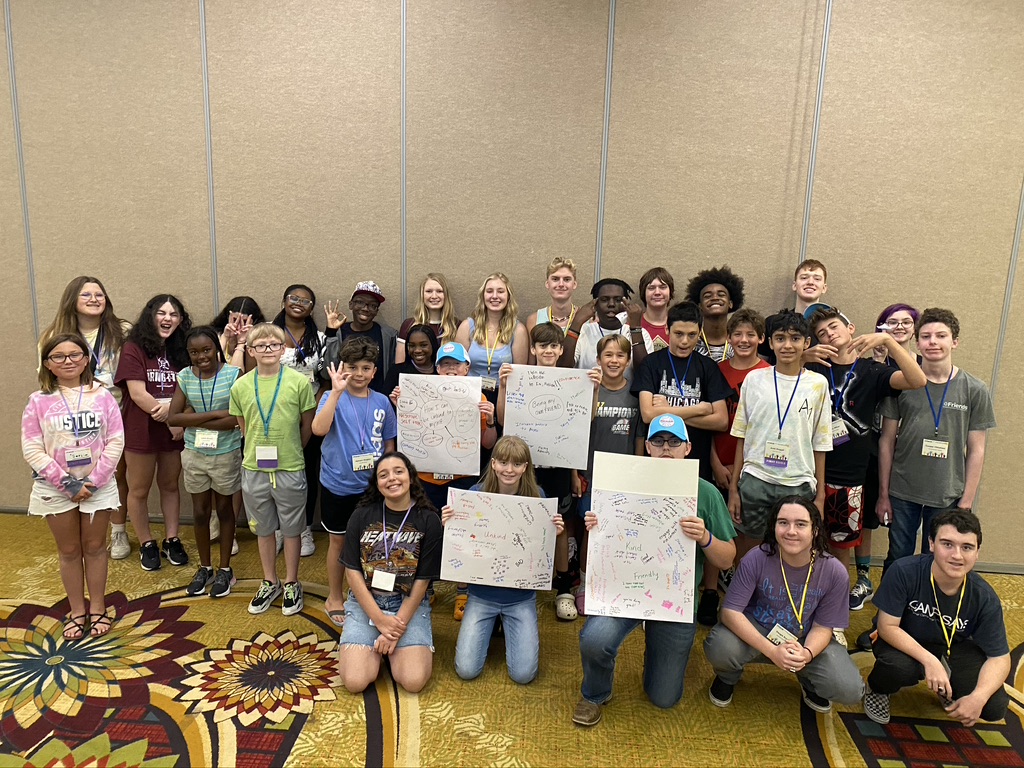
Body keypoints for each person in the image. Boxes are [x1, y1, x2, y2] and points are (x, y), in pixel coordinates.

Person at [572, 415, 737, 726]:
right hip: (623, 591)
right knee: (594, 639)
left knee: (664, 697)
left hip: (674, 600)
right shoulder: (622, 481)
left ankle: (656, 654)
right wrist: (597, 525)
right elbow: (603, 539)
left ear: (688, 448)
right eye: (658, 441)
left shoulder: (705, 492)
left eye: (674, 442)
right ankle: (595, 692)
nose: (666, 448)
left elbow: (727, 559)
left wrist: (705, 537)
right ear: (647, 447)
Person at [704, 497, 864, 712]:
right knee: (720, 647)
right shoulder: (756, 558)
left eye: (801, 524)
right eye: (783, 523)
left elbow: (823, 627)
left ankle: (807, 677)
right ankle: (728, 676)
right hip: (758, 628)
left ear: (815, 530)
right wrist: (772, 651)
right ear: (774, 527)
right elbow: (730, 612)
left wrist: (806, 654)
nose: (791, 531)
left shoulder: (834, 571)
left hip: (805, 636)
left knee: (849, 688)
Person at [863, 510, 1009, 727]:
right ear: (931, 544)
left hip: (952, 647)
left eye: (967, 547)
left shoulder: (984, 596)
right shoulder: (904, 571)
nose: (957, 555)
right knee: (898, 668)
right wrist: (930, 661)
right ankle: (878, 689)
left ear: (977, 552)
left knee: (993, 707)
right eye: (947, 544)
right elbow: (887, 627)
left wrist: (979, 696)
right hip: (902, 639)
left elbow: (1000, 657)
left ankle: (947, 685)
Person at [496, 323, 601, 621]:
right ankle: (516, 583)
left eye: (554, 346)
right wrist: (503, 387)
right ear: (533, 349)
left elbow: (584, 422)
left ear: (560, 349)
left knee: (559, 525)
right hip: (524, 468)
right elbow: (502, 419)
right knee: (519, 522)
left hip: (558, 468)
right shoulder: (519, 377)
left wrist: (594, 390)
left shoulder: (573, 380)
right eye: (542, 346)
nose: (548, 351)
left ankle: (563, 588)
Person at [22, 333, 125, 639]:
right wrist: (67, 484)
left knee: (95, 547)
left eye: (75, 355)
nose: (67, 361)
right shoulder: (38, 401)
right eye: (58, 356)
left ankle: (98, 608)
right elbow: (31, 448)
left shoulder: (102, 396)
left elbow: (116, 440)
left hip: (98, 485)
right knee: (68, 550)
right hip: (54, 488)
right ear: (47, 364)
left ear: (86, 360)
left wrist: (93, 481)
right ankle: (77, 611)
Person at [877, 309, 995, 574]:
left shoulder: (974, 389)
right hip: (902, 490)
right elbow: (886, 441)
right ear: (917, 343)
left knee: (936, 557)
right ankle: (892, 600)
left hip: (946, 493)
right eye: (926, 336)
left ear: (955, 342)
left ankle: (926, 602)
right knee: (898, 555)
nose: (933, 342)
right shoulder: (901, 384)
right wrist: (884, 494)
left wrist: (967, 500)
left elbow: (977, 449)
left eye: (941, 336)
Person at [806, 307, 925, 565]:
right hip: (808, 470)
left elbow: (918, 380)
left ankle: (838, 589)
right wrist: (802, 356)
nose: (829, 334)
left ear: (851, 329)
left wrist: (888, 341)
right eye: (822, 333)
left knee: (841, 546)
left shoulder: (872, 370)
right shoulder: (812, 367)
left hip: (850, 475)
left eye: (834, 327)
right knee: (805, 541)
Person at [442, 436, 564, 683]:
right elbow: (462, 545)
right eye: (504, 463)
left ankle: (502, 626)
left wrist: (556, 533)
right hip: (482, 595)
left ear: (525, 467)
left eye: (517, 464)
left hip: (520, 598)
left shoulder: (538, 498)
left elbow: (546, 557)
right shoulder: (475, 495)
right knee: (466, 669)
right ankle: (494, 626)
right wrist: (451, 524)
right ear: (494, 464)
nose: (509, 470)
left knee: (523, 674)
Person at [394, 341, 497, 620]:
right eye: (445, 364)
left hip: (461, 479)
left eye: (456, 364)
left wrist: (490, 420)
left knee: (462, 533)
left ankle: (463, 590)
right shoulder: (418, 393)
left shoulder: (479, 398)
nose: (451, 369)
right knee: (423, 534)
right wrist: (401, 404)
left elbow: (489, 443)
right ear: (437, 369)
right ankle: (425, 588)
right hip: (426, 479)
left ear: (467, 368)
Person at [38, 276, 132, 561]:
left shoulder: (122, 330)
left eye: (99, 294)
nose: (94, 299)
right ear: (72, 301)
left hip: (117, 410)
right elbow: (45, 379)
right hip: (72, 418)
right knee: (77, 470)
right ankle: (76, 528)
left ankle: (118, 529)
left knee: (116, 472)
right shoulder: (53, 334)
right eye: (86, 295)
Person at [727, 310, 831, 560]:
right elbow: (741, 435)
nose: (787, 345)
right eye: (780, 338)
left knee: (791, 550)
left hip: (798, 482)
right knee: (750, 551)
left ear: (807, 343)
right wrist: (734, 488)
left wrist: (820, 495)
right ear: (770, 342)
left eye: (795, 339)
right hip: (755, 479)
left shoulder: (818, 384)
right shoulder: (754, 379)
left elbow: (821, 442)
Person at [229, 323, 316, 616]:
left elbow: (307, 425)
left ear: (283, 349)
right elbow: (244, 427)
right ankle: (270, 580)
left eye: (274, 344)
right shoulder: (241, 386)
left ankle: (291, 581)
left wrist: (293, 450)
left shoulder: (299, 383)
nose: (268, 349)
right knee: (263, 529)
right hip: (254, 467)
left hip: (290, 466)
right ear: (250, 350)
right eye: (261, 345)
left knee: (292, 529)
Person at [338, 452, 443, 694]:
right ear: (377, 484)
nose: (392, 478)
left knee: (413, 681)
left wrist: (395, 629)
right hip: (367, 601)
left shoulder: (429, 519)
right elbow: (352, 572)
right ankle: (378, 647)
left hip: (407, 603)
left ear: (410, 477)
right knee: (355, 681)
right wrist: (380, 620)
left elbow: (422, 581)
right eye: (383, 475)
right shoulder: (361, 515)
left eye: (398, 471)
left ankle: (389, 647)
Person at [313, 337, 397, 628]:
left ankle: (367, 594)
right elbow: (318, 429)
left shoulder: (382, 402)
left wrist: (385, 481)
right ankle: (334, 596)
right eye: (352, 367)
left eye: (365, 368)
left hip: (371, 488)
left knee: (372, 543)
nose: (358, 374)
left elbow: (389, 445)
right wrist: (336, 393)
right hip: (337, 485)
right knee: (338, 542)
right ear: (341, 368)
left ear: (374, 372)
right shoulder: (331, 396)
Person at [698, 308, 769, 626]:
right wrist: (715, 463)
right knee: (717, 526)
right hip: (718, 460)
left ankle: (743, 592)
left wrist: (742, 469)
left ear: (761, 339)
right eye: (737, 334)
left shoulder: (769, 374)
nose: (743, 340)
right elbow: (709, 424)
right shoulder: (716, 371)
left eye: (750, 334)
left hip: (752, 466)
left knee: (746, 532)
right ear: (728, 338)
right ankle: (711, 592)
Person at [115, 295, 191, 572]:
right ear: (151, 316)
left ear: (180, 320)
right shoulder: (133, 347)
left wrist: (176, 417)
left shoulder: (183, 348)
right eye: (162, 313)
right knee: (138, 488)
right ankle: (147, 542)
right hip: (141, 427)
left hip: (174, 428)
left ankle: (172, 539)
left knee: (170, 485)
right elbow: (137, 393)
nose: (168, 318)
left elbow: (191, 387)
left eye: (174, 314)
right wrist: (170, 415)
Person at [852, 303, 921, 609]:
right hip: (873, 446)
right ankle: (864, 578)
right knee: (867, 515)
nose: (900, 327)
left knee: (904, 525)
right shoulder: (871, 363)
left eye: (906, 322)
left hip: (911, 452)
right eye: (892, 322)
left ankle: (906, 589)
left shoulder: (923, 364)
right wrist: (878, 362)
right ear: (880, 328)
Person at [572, 334, 644, 615]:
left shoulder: (636, 396)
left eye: (620, 355)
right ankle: (584, 584)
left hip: (623, 478)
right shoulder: (589, 390)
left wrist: (638, 473)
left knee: (621, 533)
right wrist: (574, 474)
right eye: (608, 355)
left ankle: (614, 585)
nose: (614, 361)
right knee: (591, 531)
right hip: (591, 476)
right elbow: (576, 435)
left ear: (628, 361)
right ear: (598, 360)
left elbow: (639, 439)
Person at [168, 327, 242, 598]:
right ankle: (205, 567)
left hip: (226, 453)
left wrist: (195, 419)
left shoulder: (233, 374)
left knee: (224, 510)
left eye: (206, 350)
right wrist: (215, 415)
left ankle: (225, 569)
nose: (201, 356)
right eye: (194, 352)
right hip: (195, 453)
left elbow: (235, 419)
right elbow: (173, 418)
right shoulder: (185, 376)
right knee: (200, 512)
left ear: (216, 348)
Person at [633, 301, 730, 481]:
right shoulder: (651, 364)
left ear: (700, 333)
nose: (685, 341)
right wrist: (699, 409)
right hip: (657, 463)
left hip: (696, 464)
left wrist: (666, 410)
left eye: (691, 334)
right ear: (667, 330)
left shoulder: (708, 367)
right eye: (678, 334)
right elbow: (648, 414)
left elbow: (721, 421)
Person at [272, 284, 328, 557]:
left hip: (309, 416)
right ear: (284, 301)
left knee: (305, 474)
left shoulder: (320, 338)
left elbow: (326, 380)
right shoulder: (269, 334)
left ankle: (304, 528)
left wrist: (313, 411)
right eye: (293, 298)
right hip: (274, 416)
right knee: (275, 474)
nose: (298, 303)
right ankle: (279, 529)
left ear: (311, 308)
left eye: (305, 301)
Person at [456, 273, 529, 400]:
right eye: (489, 291)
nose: (495, 296)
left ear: (508, 296)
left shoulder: (518, 330)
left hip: (503, 395)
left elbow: (519, 375)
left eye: (500, 291)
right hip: (470, 394)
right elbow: (456, 367)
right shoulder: (467, 326)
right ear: (483, 296)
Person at [561, 278, 652, 379]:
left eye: (618, 300)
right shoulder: (584, 331)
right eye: (604, 300)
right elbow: (562, 368)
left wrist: (635, 329)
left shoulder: (640, 334)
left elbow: (645, 374)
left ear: (626, 304)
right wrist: (576, 322)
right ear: (595, 304)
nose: (611, 304)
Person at [327, 281, 398, 393]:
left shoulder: (389, 336)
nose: (365, 308)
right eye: (360, 302)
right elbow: (327, 372)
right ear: (351, 305)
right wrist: (331, 333)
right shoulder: (338, 333)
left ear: (376, 311)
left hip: (378, 398)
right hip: (344, 398)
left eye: (372, 305)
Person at [686, 265, 745, 362]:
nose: (715, 298)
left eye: (721, 294)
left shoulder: (741, 342)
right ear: (699, 306)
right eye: (707, 296)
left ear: (730, 303)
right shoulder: (689, 341)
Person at [395, 273, 459, 363]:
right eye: (429, 291)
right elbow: (399, 365)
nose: (434, 296)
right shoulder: (408, 325)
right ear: (422, 295)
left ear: (446, 295)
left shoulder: (457, 326)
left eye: (439, 291)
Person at [525, 258, 581, 355]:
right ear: (547, 284)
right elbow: (532, 361)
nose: (561, 284)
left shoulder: (585, 319)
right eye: (555, 279)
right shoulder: (534, 320)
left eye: (567, 279)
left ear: (574, 284)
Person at [383, 323, 440, 397]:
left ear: (433, 345)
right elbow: (384, 401)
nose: (417, 350)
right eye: (412, 346)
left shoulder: (442, 372)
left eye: (423, 345)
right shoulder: (396, 372)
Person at [211, 295, 264, 371]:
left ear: (254, 321)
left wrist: (242, 342)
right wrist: (225, 337)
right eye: (235, 319)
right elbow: (212, 365)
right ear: (227, 317)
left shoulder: (260, 339)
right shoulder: (215, 334)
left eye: (244, 321)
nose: (238, 325)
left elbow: (240, 374)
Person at [638, 267, 674, 351]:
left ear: (670, 292)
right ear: (643, 293)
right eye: (651, 288)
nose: (657, 292)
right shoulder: (633, 325)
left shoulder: (678, 324)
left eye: (663, 287)